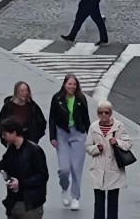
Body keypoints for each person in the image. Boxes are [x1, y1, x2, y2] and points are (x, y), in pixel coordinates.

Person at [82, 101, 135, 219]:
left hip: (114, 167)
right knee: (98, 202)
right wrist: (97, 148)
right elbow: (88, 147)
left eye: (106, 112)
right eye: (100, 112)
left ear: (111, 113)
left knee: (113, 201)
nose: (103, 115)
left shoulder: (119, 126)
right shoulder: (94, 127)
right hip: (98, 168)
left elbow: (128, 143)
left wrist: (117, 142)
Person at [48, 73, 89, 212]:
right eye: (69, 84)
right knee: (64, 168)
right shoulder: (57, 98)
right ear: (65, 84)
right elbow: (52, 119)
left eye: (74, 84)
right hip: (62, 133)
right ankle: (64, 188)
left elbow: (86, 119)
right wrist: (52, 137)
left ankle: (75, 197)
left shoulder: (81, 99)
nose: (71, 86)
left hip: (78, 133)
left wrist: (91, 136)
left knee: (76, 167)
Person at [0, 119, 52, 219]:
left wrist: (20, 183)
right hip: (14, 202)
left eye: (5, 134)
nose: (2, 136)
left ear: (14, 133)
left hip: (30, 204)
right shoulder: (11, 149)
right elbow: (3, 165)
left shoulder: (34, 151)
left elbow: (42, 176)